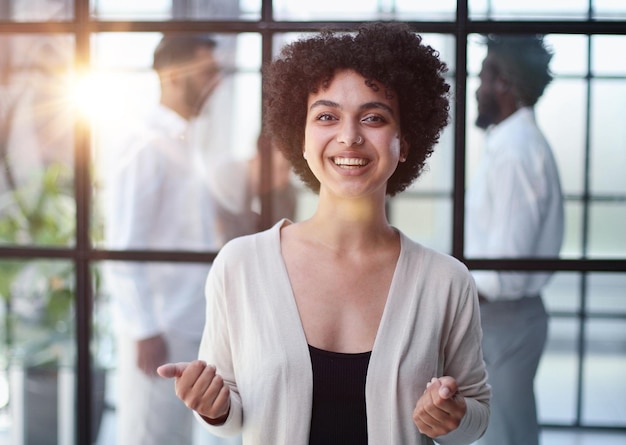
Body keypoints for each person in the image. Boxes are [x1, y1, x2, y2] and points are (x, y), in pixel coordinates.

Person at [158, 22, 491, 445]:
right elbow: (233, 413)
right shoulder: (240, 265)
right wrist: (215, 406)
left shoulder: (445, 281)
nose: (349, 137)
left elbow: (477, 414)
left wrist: (453, 417)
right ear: (301, 136)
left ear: (404, 142)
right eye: (327, 116)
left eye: (373, 117)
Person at [103, 35, 240, 445]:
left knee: (178, 434)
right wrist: (144, 328)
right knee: (152, 434)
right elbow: (123, 246)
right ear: (173, 76)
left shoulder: (187, 140)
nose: (216, 80)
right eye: (207, 71)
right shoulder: (144, 143)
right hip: (160, 328)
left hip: (189, 321)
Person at [465, 35, 565, 445]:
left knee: (503, 435)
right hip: (507, 315)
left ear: (504, 83)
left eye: (484, 77)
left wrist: (448, 287)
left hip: (505, 317)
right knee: (507, 430)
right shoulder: (512, 144)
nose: (477, 88)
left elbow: (502, 271)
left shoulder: (516, 151)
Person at [207, 132, 297, 245]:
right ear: (260, 157)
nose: (286, 178)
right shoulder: (229, 176)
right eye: (282, 168)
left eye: (289, 169)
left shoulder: (284, 193)